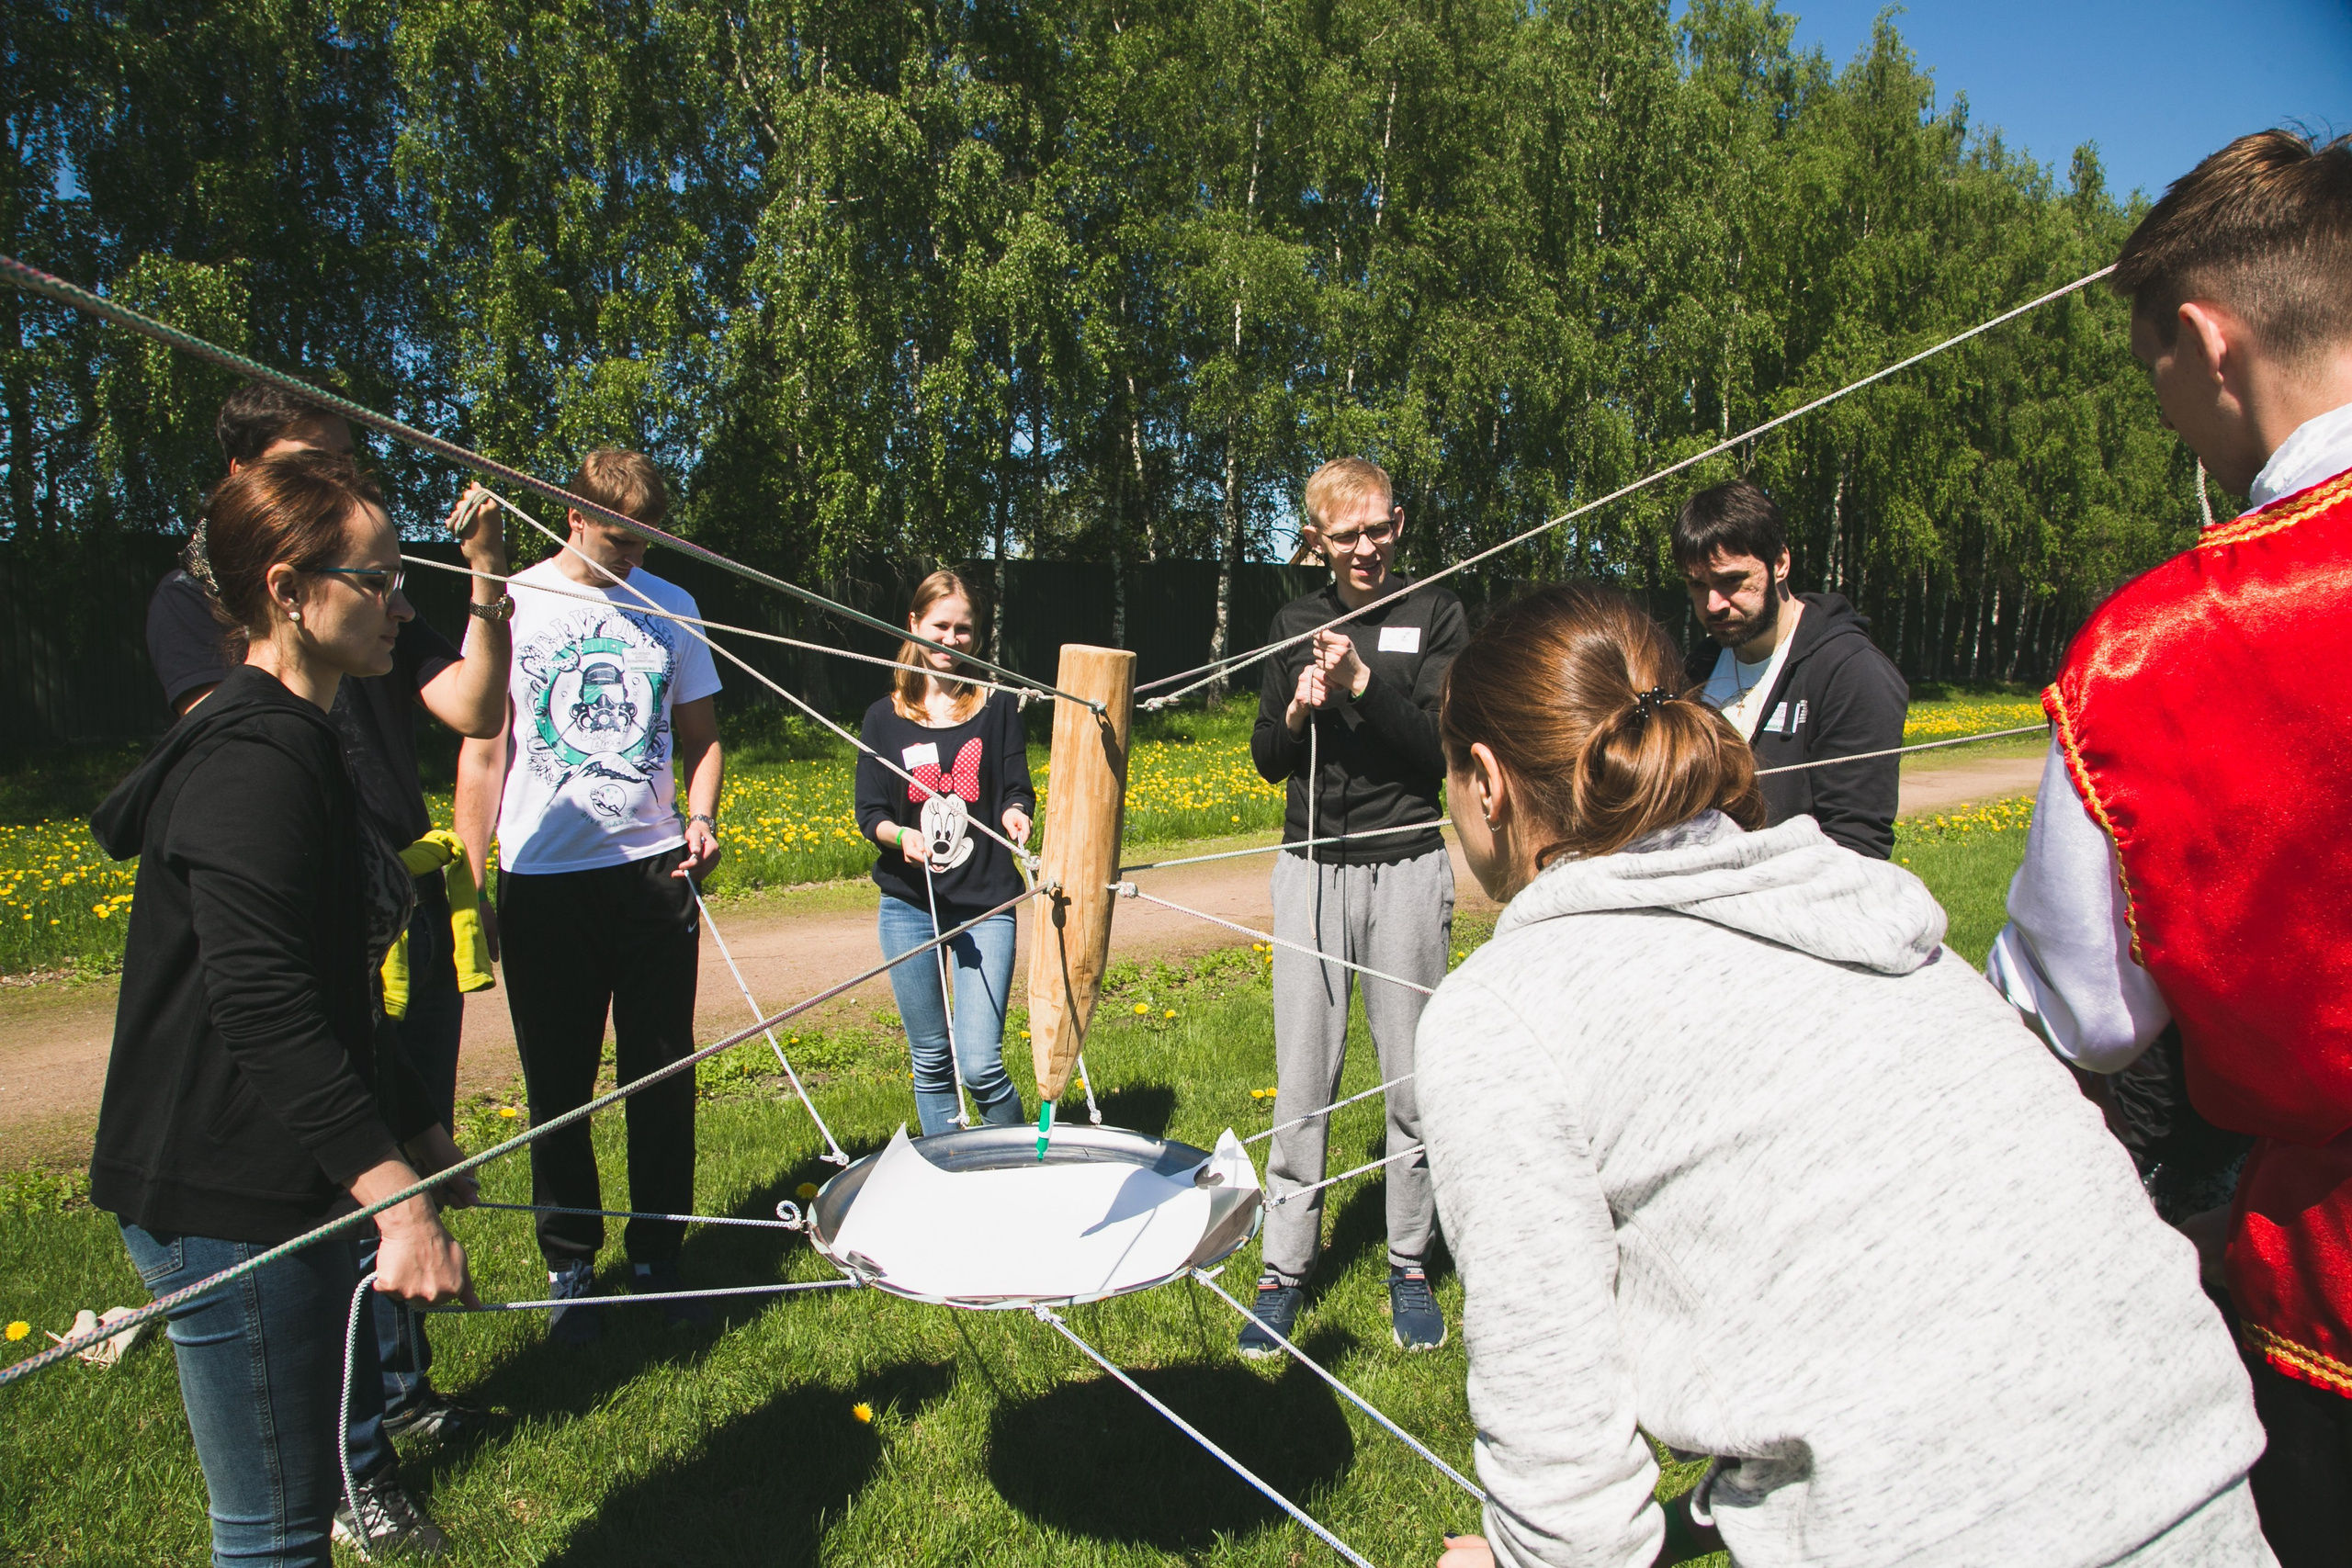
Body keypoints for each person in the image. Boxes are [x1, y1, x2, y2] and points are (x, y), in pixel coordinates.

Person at [1419, 583, 2269, 1568]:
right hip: (2193, 1463)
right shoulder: (1859, 908)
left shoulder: (1505, 1013)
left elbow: (1562, 1475)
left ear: (1485, 781)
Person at [1985, 129, 2352, 1565]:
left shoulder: (2156, 650)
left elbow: (2081, 1007)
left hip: (2325, 1301)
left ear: (2207, 340)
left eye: (2150, 367)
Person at [92, 452, 481, 1568]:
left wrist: (420, 1130)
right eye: (382, 581)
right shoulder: (254, 759)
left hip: (281, 1171)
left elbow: (336, 988)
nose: (405, 607)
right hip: (222, 1189)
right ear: (288, 589)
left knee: (295, 1512)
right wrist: (400, 1209)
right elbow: (263, 1004)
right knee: (274, 1536)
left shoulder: (309, 740)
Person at [456, 448, 722, 1343]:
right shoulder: (515, 602)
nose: (631, 560)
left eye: (645, 542)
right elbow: (484, 747)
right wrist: (474, 877)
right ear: (573, 516)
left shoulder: (672, 607)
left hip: (652, 874)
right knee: (559, 1086)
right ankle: (571, 1266)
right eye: (618, 539)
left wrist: (702, 815)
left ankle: (659, 1259)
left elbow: (702, 737)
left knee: (662, 1072)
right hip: (543, 880)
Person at [1243, 457, 1467, 1357]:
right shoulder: (1293, 623)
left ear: (1398, 523)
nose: (1366, 547)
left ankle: (1408, 1260)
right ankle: (1282, 1271)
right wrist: (1299, 712)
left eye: (1378, 529)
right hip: (1311, 873)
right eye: (1347, 536)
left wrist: (1364, 685)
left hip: (1407, 864)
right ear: (1318, 543)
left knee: (1411, 1082)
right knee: (1303, 1081)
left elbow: (1439, 751)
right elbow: (1265, 756)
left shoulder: (1437, 615)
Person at [854, 571, 1036, 1135]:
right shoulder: (882, 718)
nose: (952, 640)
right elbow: (870, 813)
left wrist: (1016, 814)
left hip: (985, 902)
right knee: (932, 1062)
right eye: (941, 626)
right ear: (914, 624)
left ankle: (1021, 1163)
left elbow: (1016, 787)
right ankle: (949, 1177)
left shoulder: (996, 705)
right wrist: (901, 837)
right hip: (909, 906)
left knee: (981, 1066)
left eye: (964, 630)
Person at [1674, 479, 1907, 859]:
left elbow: (1856, 846)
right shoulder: (1695, 669)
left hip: (1794, 906)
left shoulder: (1851, 672)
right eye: (1697, 585)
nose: (1713, 603)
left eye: (1732, 580)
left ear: (1780, 563)